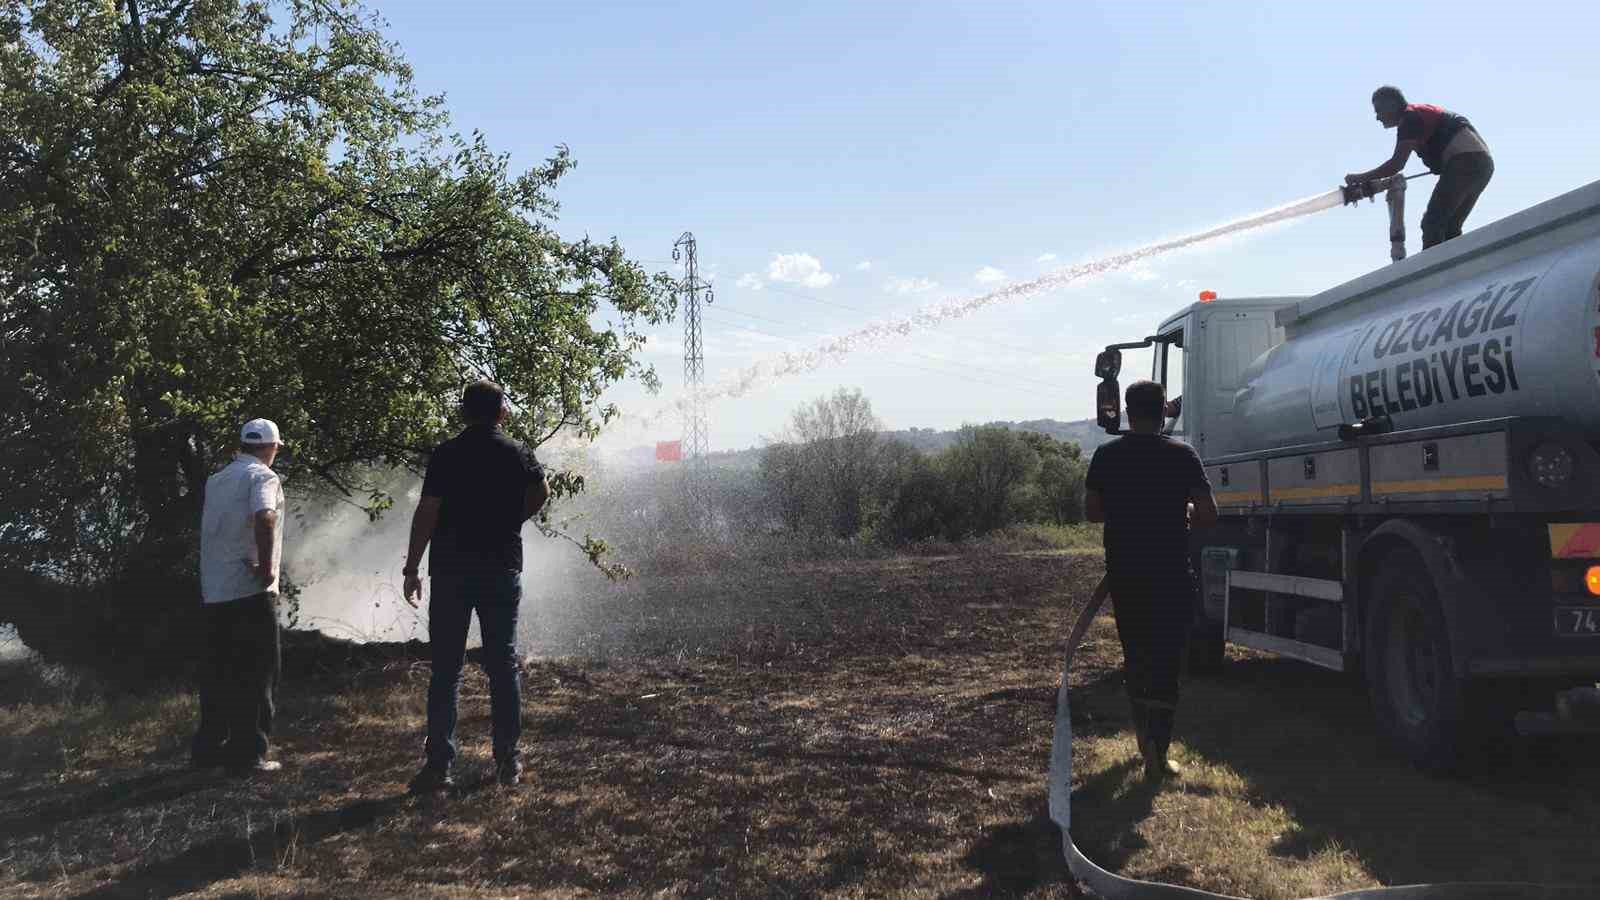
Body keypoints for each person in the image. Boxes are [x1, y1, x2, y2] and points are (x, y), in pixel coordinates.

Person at [402, 380, 550, 792]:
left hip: (450, 569)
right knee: (502, 665)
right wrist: (511, 520)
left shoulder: (447, 454)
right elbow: (542, 492)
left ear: (465, 413)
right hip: (501, 566)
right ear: (502, 411)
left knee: (446, 668)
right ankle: (508, 761)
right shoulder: (518, 452)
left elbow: (428, 510)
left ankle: (438, 768)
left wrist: (411, 566)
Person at [1084, 380, 1217, 780]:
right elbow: (1209, 514)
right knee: (1167, 662)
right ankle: (1159, 751)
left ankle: (1144, 743)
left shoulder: (1106, 456)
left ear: (1126, 411)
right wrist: (1184, 515)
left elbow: (1092, 512)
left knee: (1137, 656)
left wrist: (1129, 514)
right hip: (1171, 573)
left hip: (1126, 575)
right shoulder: (1183, 455)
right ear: (1164, 412)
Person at [194, 418, 287, 776]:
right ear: (270, 447)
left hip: (215, 591)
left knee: (219, 674)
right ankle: (249, 755)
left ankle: (208, 749)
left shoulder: (216, 480)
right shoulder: (262, 476)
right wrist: (266, 569)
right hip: (249, 591)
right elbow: (264, 518)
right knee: (258, 673)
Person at [1345, 86, 1493, 250]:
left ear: (1392, 104)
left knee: (1432, 223)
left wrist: (1358, 178)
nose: (1377, 117)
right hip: (1483, 165)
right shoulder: (1418, 115)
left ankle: (1435, 274)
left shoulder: (1409, 119)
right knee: (1450, 227)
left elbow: (1396, 165)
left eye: (1379, 110)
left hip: (1465, 162)